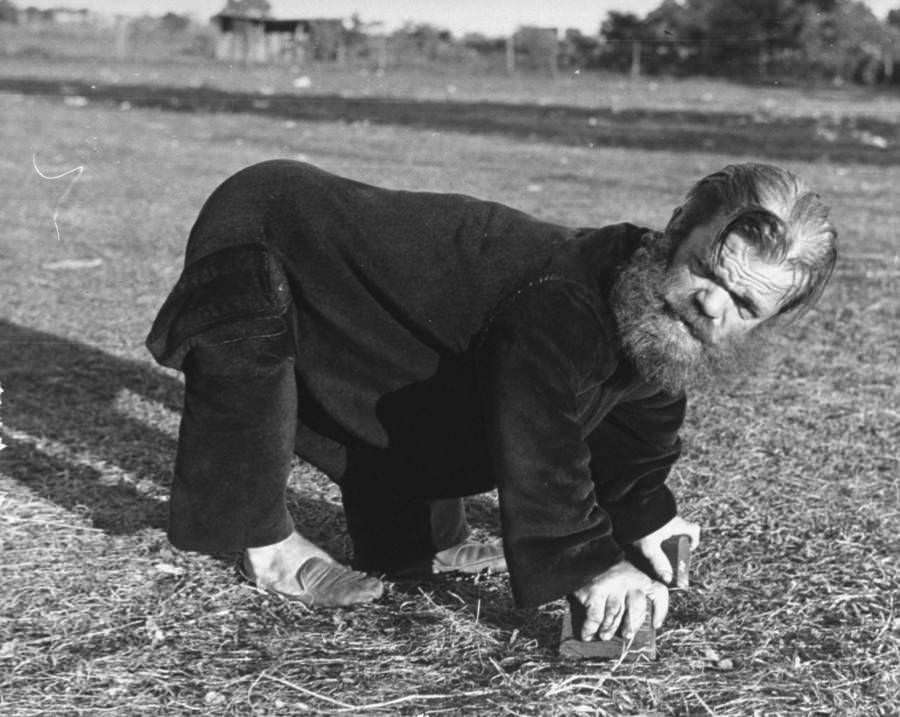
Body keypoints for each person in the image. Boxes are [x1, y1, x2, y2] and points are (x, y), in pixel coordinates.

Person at [146, 159, 836, 642]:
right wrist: (588, 558)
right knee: (252, 364)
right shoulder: (566, 301)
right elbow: (539, 434)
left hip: (372, 291)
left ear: (768, 319)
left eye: (744, 302)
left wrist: (649, 514)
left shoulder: (655, 312)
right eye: (708, 268)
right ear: (676, 229)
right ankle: (264, 545)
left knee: (422, 388)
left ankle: (415, 542)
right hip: (269, 223)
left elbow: (638, 420)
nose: (712, 301)